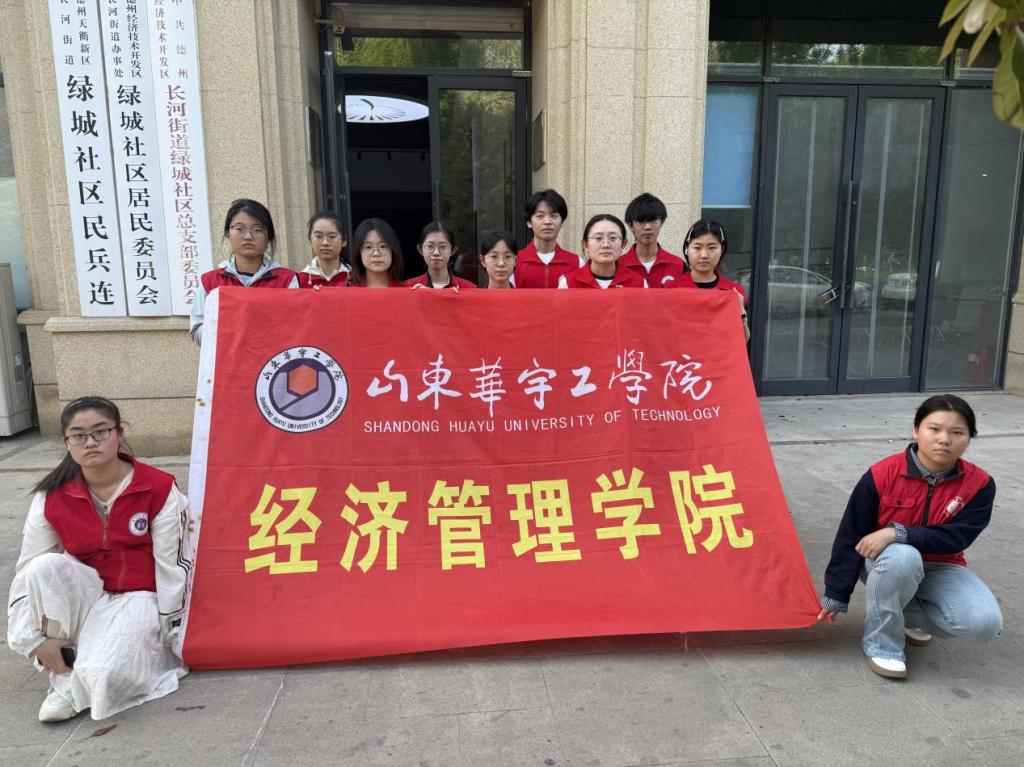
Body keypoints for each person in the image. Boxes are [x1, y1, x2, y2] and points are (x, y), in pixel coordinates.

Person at [6, 397, 192, 722]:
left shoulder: (158, 488)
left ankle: (81, 677)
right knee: (43, 567)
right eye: (78, 435)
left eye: (100, 431)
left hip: (138, 597)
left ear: (119, 434)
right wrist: (32, 641)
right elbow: (27, 570)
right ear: (67, 443)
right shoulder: (51, 496)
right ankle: (63, 669)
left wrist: (172, 633)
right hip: (86, 595)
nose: (90, 442)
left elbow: (173, 566)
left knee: (105, 672)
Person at [818, 394, 1002, 679]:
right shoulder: (882, 474)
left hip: (943, 565)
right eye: (934, 429)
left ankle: (899, 613)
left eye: (957, 432)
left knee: (984, 624)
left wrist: (897, 532)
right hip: (886, 563)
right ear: (916, 430)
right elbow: (850, 534)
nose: (944, 439)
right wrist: (836, 594)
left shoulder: (980, 484)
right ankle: (883, 645)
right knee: (903, 556)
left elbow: (958, 537)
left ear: (969, 438)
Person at [190, 199, 297, 345]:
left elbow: (294, 328)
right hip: (226, 358)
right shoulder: (210, 281)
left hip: (271, 358)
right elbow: (197, 330)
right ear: (228, 233)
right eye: (239, 228)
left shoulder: (287, 280)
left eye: (257, 229)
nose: (248, 236)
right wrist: (231, 328)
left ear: (269, 237)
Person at [669, 219, 749, 341]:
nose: (704, 255)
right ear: (687, 248)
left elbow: (742, 340)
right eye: (697, 247)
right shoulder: (670, 290)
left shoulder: (734, 292)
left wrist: (741, 312)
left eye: (712, 248)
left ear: (722, 249)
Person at [513, 189, 582, 288]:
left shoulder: (577, 263)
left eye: (554, 216)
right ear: (529, 222)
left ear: (562, 221)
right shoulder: (515, 262)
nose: (547, 222)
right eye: (540, 216)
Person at [558, 214, 646, 289]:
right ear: (586, 245)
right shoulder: (568, 284)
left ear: (623, 244)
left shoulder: (639, 284)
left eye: (613, 238)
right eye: (598, 238)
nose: (606, 245)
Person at [620, 192, 685, 288]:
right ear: (630, 225)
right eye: (641, 221)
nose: (647, 227)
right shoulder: (617, 266)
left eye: (652, 220)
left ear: (661, 222)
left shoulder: (679, 265)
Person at [405, 222, 476, 290]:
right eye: (430, 246)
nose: (436, 252)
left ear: (452, 250)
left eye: (442, 246)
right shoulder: (407, 288)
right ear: (420, 250)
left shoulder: (469, 289)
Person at [297, 212, 351, 288]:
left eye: (332, 237)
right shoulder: (298, 281)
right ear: (310, 240)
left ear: (344, 241)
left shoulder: (356, 278)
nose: (325, 243)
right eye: (319, 236)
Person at [348, 218, 405, 288]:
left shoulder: (408, 290)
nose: (376, 253)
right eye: (368, 247)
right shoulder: (344, 289)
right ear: (358, 253)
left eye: (382, 246)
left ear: (393, 250)